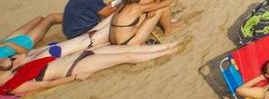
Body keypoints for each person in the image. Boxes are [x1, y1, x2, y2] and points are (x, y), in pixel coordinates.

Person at [0, 41, 182, 95]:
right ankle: (166, 53)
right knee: (125, 57)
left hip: (75, 56)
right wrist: (75, 78)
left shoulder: (15, 70)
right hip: (75, 67)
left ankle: (166, 46)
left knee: (124, 49)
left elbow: (26, 54)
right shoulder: (15, 85)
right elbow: (43, 86)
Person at [108, 0, 180, 45]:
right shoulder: (137, 7)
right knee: (163, 8)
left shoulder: (125, 3)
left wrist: (152, 9)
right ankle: (168, 29)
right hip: (129, 43)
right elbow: (169, 1)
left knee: (150, 10)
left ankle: (168, 24)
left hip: (116, 42)